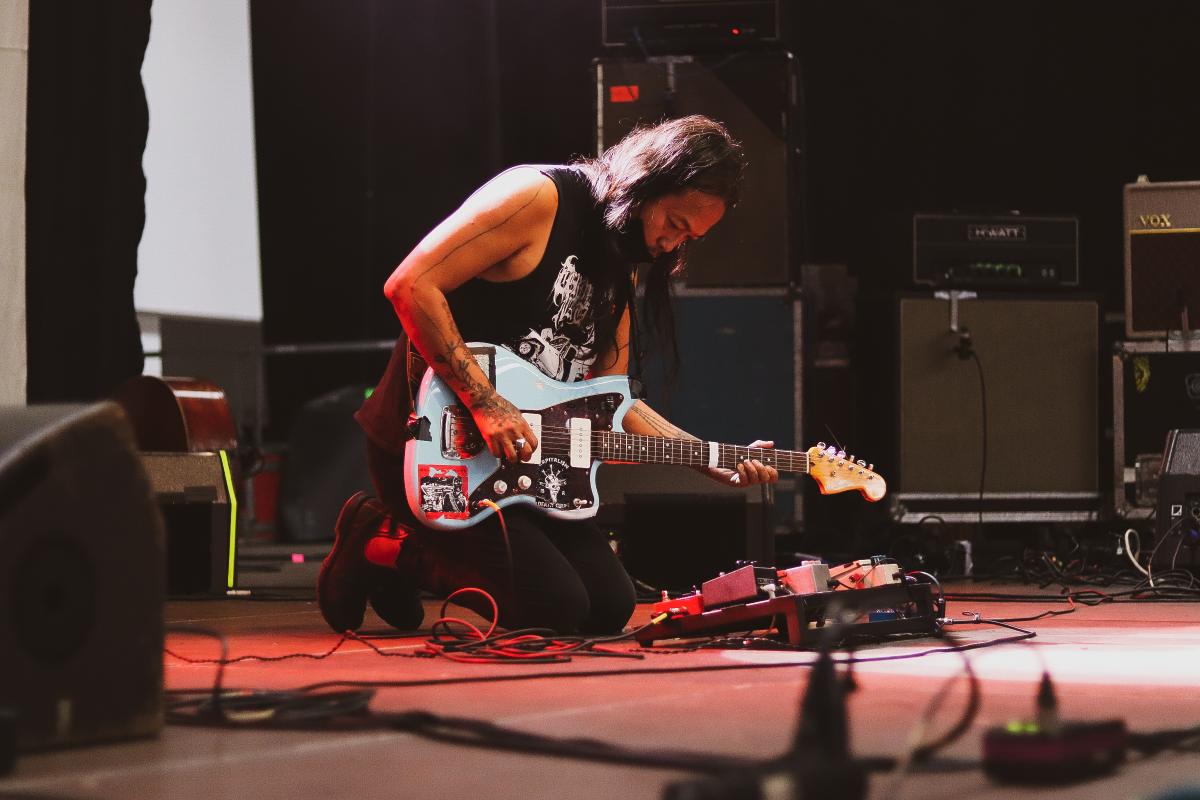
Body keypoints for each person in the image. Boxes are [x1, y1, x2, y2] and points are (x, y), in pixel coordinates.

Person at [317, 115, 779, 636]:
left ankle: (411, 555)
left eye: (688, 238)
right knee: (554, 606)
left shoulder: (621, 258)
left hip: (523, 466)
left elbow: (610, 401)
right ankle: (385, 539)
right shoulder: (537, 198)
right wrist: (485, 401)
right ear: (647, 182)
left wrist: (709, 457)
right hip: (433, 445)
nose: (672, 245)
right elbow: (410, 284)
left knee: (608, 606)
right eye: (674, 223)